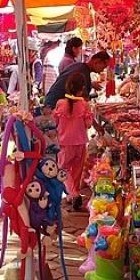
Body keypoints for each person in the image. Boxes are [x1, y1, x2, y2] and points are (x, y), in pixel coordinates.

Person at [54, 72, 92, 210]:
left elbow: (55, 121)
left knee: (63, 169)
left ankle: (73, 194)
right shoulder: (84, 105)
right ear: (81, 89)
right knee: (76, 170)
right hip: (80, 142)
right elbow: (88, 124)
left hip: (65, 142)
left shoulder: (60, 104)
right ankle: (73, 193)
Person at [44, 51, 111, 109]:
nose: (102, 70)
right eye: (104, 67)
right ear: (96, 62)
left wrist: (90, 84)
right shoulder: (83, 73)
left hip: (50, 102)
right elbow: (83, 101)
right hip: (54, 106)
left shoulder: (79, 65)